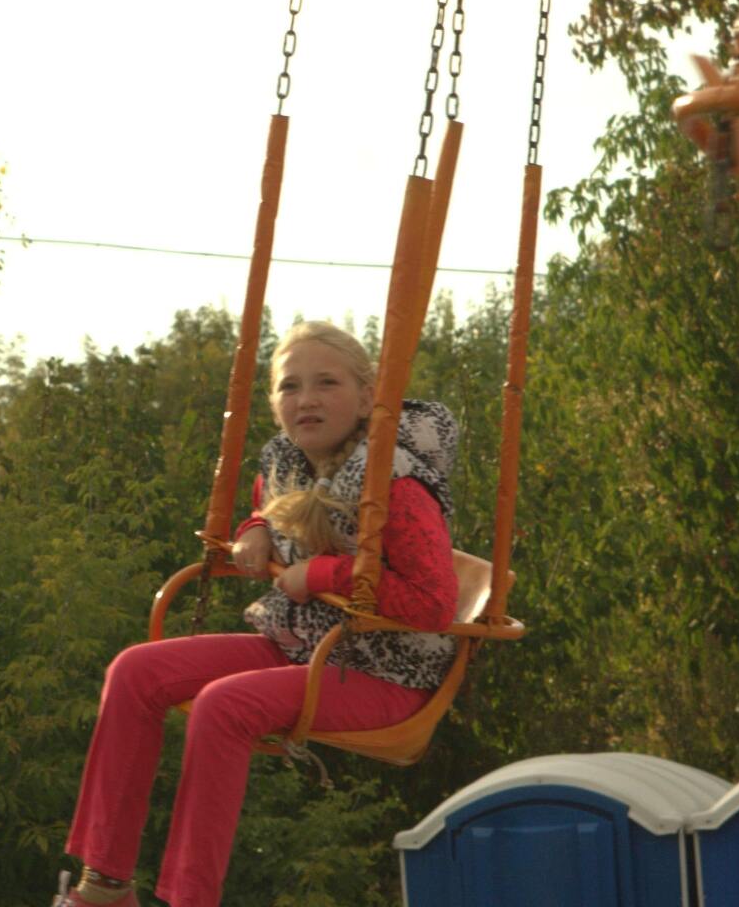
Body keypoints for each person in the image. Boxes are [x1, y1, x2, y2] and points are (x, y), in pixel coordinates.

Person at [53, 321, 460, 907]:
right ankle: (106, 886)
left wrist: (323, 575)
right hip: (304, 648)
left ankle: (191, 898)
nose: (306, 399)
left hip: (384, 672)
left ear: (368, 397)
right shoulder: (287, 465)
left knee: (224, 705)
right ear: (274, 403)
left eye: (327, 383)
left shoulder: (394, 481)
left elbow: (434, 602)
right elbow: (273, 511)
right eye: (290, 386)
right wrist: (254, 530)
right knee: (135, 671)